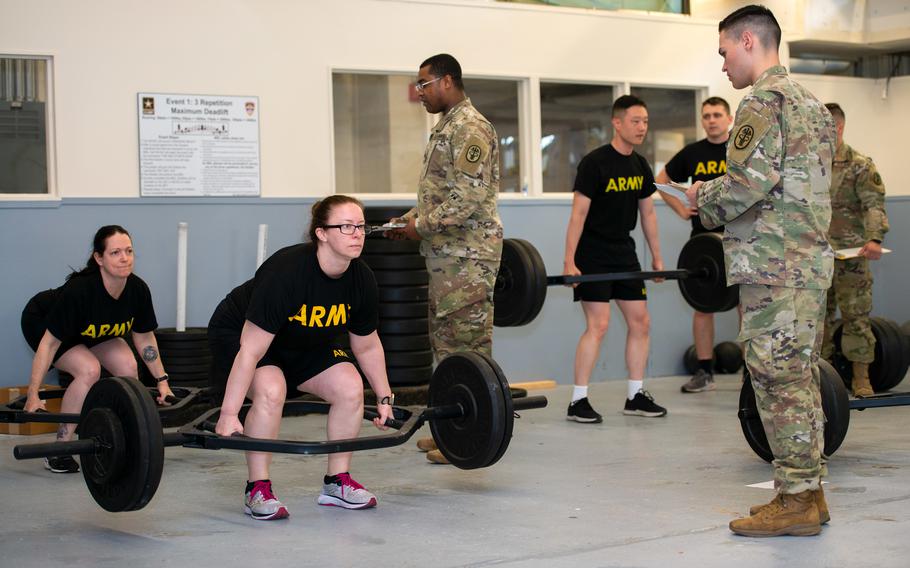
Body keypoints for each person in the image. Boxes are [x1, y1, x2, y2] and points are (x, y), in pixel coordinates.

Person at [684, 5, 837, 537]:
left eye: (725, 51)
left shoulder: (761, 104)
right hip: (805, 265)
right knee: (799, 379)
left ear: (748, 41)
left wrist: (699, 198)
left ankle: (795, 500)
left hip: (773, 267)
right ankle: (808, 493)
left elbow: (749, 183)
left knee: (777, 381)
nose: (723, 64)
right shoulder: (812, 105)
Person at [210, 196, 394, 521]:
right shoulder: (287, 271)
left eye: (361, 226)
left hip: (303, 341)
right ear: (322, 233)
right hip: (242, 334)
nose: (358, 234)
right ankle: (257, 487)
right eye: (347, 227)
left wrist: (383, 397)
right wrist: (228, 413)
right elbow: (251, 350)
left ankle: (337, 482)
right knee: (270, 389)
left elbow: (366, 345)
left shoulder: (361, 279)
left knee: (351, 386)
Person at [387, 53, 503, 464]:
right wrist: (406, 221)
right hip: (446, 256)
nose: (419, 92)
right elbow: (441, 196)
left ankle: (475, 436)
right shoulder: (447, 127)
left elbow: (467, 199)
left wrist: (421, 225)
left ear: (447, 81)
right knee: (448, 346)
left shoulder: (470, 127)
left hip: (466, 258)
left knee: (469, 349)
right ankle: (450, 431)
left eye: (424, 84)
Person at [21, 225, 174, 474]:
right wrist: (33, 394)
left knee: (127, 366)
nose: (124, 258)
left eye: (129, 250)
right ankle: (60, 448)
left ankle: (119, 435)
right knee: (88, 370)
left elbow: (145, 339)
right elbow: (49, 344)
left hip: (92, 331)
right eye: (115, 253)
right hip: (44, 322)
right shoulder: (80, 291)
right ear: (99, 258)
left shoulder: (137, 290)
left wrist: (162, 381)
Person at [564, 94, 668, 424]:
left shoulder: (640, 165)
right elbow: (578, 215)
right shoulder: (594, 163)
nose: (642, 128)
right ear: (617, 123)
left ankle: (635, 395)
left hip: (625, 253)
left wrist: (657, 257)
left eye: (646, 122)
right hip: (593, 254)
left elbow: (648, 213)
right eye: (635, 121)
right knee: (599, 325)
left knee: (642, 322)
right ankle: (577, 401)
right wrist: (570, 261)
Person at [655, 96, 734, 393]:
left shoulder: (739, 149)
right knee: (703, 307)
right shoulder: (693, 152)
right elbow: (662, 180)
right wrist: (680, 209)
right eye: (706, 116)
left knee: (745, 304)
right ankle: (704, 372)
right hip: (703, 241)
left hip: (738, 237)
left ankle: (753, 372)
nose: (711, 120)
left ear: (729, 118)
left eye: (717, 115)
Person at [819, 102, 890, 398]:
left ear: (837, 127)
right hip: (818, 256)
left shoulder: (860, 164)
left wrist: (874, 238)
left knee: (856, 317)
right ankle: (821, 378)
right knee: (818, 319)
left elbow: (874, 203)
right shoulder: (809, 164)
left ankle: (861, 379)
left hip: (851, 255)